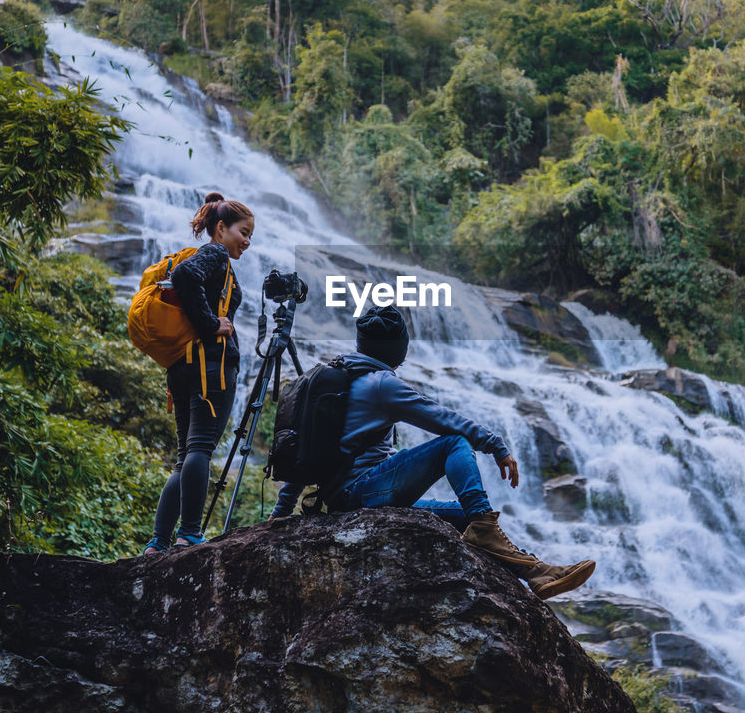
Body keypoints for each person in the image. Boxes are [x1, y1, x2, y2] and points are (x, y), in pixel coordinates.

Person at [270, 304, 596, 599]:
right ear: (399, 349)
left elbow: (308, 452)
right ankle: (485, 525)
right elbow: (445, 420)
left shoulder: (341, 378)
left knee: (462, 514)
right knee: (454, 443)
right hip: (364, 494)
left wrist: (280, 514)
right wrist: (495, 445)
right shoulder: (383, 384)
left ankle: (536, 573)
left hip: (344, 499)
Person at [143, 192, 254, 553]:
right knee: (201, 448)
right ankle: (189, 532)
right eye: (243, 232)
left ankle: (159, 542)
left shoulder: (212, 256)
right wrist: (211, 324)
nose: (247, 241)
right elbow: (186, 276)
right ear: (220, 229)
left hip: (183, 365)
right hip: (211, 366)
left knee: (186, 454)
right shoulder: (215, 253)